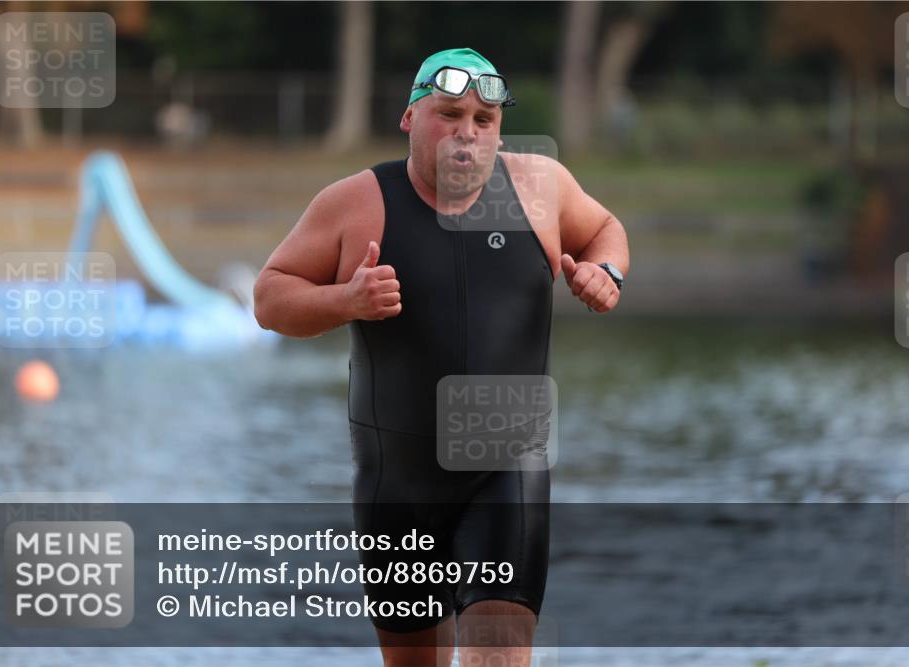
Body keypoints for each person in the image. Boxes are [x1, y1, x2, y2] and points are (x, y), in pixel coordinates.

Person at [254, 47, 629, 667]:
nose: (467, 132)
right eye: (449, 114)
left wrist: (604, 270)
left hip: (506, 470)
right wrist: (345, 299)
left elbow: (605, 227)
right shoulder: (358, 202)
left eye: (484, 119)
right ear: (410, 118)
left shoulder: (540, 187)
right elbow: (271, 299)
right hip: (397, 483)